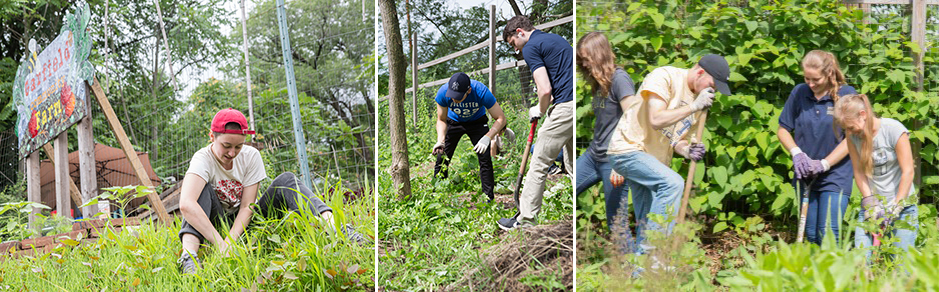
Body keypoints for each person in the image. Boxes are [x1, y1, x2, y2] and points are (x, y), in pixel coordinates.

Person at [176, 108, 367, 274]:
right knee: (197, 191)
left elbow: (247, 207)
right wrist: (221, 245)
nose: (232, 153)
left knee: (287, 180)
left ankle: (338, 229)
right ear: (212, 137)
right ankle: (189, 259)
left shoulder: (251, 157)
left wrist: (231, 243)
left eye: (238, 146)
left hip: (246, 225)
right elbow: (186, 204)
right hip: (214, 224)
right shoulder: (202, 159)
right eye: (226, 146)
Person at [608, 54, 731, 255]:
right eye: (713, 84)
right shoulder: (665, 76)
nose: (713, 90)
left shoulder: (700, 102)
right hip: (628, 149)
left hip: (653, 161)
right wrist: (693, 106)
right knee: (673, 183)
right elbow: (656, 119)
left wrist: (688, 151)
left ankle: (641, 279)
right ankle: (654, 257)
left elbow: (677, 141)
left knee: (647, 222)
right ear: (700, 72)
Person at [498, 15, 574, 230]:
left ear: (519, 32)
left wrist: (539, 110)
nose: (517, 50)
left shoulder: (531, 47)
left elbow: (545, 89)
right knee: (572, 165)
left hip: (565, 107)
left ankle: (525, 220)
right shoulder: (557, 39)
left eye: (514, 44)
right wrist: (544, 106)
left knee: (539, 162)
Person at [777, 50, 855, 245]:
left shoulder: (846, 95)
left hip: (836, 173)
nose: (810, 84)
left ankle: (834, 274)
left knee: (829, 231)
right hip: (805, 174)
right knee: (810, 234)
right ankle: (811, 275)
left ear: (829, 73)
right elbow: (783, 130)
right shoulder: (800, 92)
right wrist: (796, 154)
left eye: (816, 80)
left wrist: (824, 164)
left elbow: (851, 139)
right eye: (806, 78)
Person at [833, 93, 917, 256]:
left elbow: (908, 171)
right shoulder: (852, 137)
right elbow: (858, 171)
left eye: (850, 127)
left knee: (902, 268)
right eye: (846, 129)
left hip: (902, 208)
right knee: (861, 262)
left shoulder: (893, 130)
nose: (849, 132)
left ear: (863, 115)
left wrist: (896, 205)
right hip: (872, 210)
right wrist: (870, 204)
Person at [574, 32, 636, 253]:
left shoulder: (620, 79)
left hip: (615, 161)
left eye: (586, 58)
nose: (584, 64)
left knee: (616, 224)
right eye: (580, 60)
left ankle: (634, 273)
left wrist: (622, 162)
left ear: (598, 55)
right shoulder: (600, 82)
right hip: (593, 156)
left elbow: (634, 119)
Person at [433, 72, 507, 202]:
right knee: (442, 157)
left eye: (458, 97)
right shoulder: (443, 92)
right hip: (453, 122)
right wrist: (440, 140)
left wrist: (488, 137)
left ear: (469, 90)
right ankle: (438, 196)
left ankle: (488, 199)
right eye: (452, 96)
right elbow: (441, 119)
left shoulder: (481, 91)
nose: (454, 100)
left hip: (477, 122)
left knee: (485, 159)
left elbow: (501, 118)